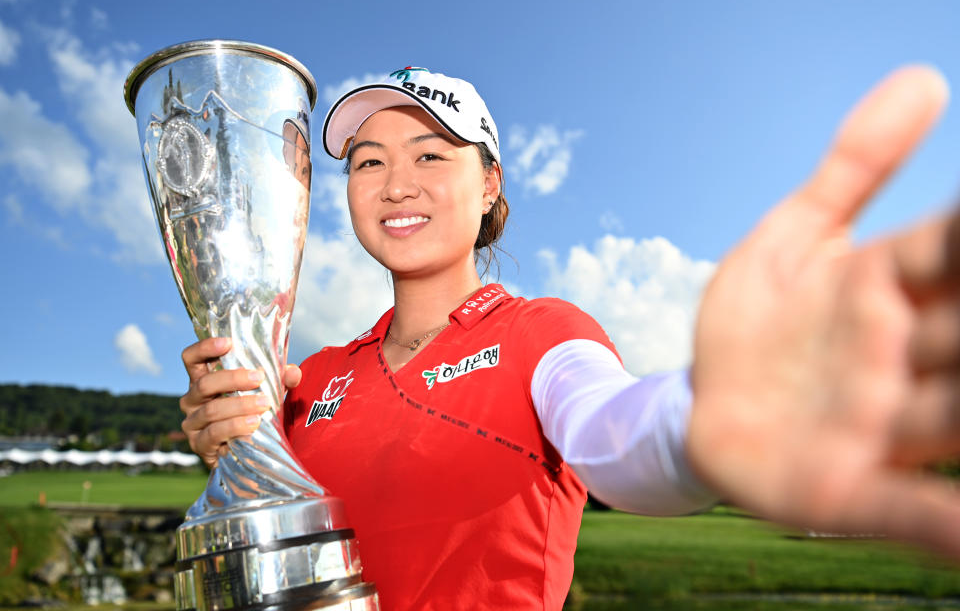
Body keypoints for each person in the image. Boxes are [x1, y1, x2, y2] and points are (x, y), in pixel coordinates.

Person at [180, 64, 960, 609]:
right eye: (367, 162)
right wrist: (236, 450)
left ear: (488, 185)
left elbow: (616, 432)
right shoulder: (310, 376)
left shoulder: (541, 334)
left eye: (430, 155)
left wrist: (703, 416)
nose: (396, 184)